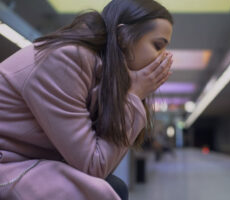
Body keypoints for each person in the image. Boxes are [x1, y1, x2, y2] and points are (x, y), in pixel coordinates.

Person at [0, 0, 173, 199]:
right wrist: (133, 96)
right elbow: (94, 166)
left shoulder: (104, 74)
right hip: (8, 164)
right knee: (105, 191)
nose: (163, 57)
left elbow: (106, 164)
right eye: (158, 45)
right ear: (123, 36)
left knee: (114, 186)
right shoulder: (67, 60)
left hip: (27, 161)